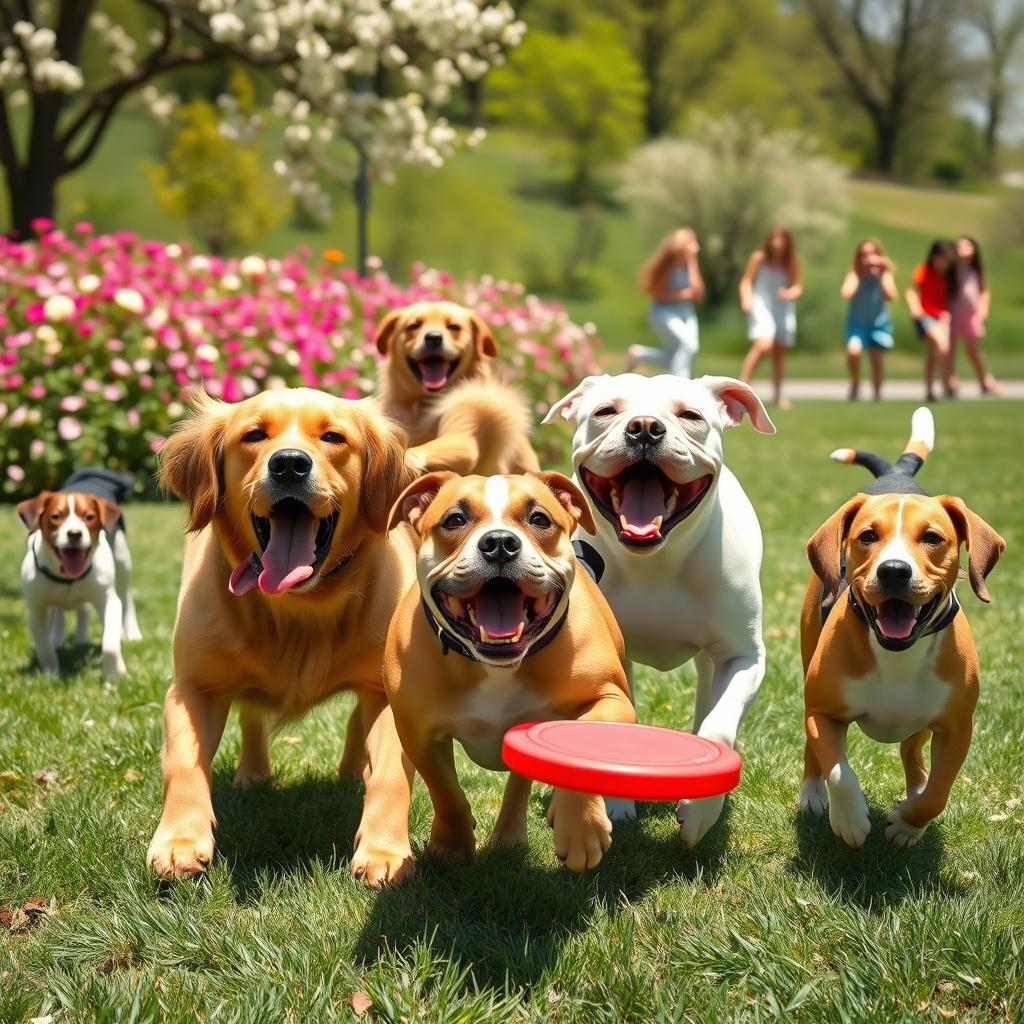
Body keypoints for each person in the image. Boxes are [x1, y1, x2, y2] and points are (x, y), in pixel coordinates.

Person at [627, 227, 704, 377]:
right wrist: (681, 295)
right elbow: (658, 293)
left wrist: (692, 260)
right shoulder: (668, 266)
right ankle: (680, 383)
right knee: (687, 346)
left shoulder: (689, 265)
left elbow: (697, 293)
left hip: (685, 312)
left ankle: (639, 354)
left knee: (685, 351)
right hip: (663, 312)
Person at [739, 226, 801, 409]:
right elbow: (746, 281)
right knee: (763, 344)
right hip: (761, 304)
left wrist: (790, 293)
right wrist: (746, 299)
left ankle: (778, 395)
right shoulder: (759, 258)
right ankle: (742, 386)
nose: (778, 243)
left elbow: (797, 285)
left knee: (778, 353)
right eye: (774, 238)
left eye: (782, 239)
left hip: (781, 308)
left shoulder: (790, 262)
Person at [841, 237, 897, 401]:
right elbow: (846, 293)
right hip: (857, 323)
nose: (868, 258)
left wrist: (881, 275)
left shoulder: (884, 274)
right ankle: (855, 382)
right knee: (853, 351)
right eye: (864, 255)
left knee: (876, 360)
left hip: (878, 323)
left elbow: (890, 296)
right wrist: (859, 275)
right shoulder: (854, 273)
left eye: (872, 254)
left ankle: (877, 394)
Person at [904, 240, 957, 402]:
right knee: (942, 345)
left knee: (932, 354)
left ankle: (930, 390)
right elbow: (911, 290)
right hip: (925, 316)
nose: (946, 263)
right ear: (935, 257)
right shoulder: (923, 271)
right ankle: (947, 380)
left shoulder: (950, 275)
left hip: (942, 316)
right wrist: (914, 307)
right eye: (944, 258)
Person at [949, 234, 1000, 396]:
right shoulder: (951, 269)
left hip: (971, 315)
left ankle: (984, 380)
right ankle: (950, 381)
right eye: (959, 246)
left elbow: (984, 291)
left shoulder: (976, 270)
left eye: (966, 246)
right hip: (953, 313)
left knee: (973, 351)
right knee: (950, 350)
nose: (962, 249)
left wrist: (983, 309)